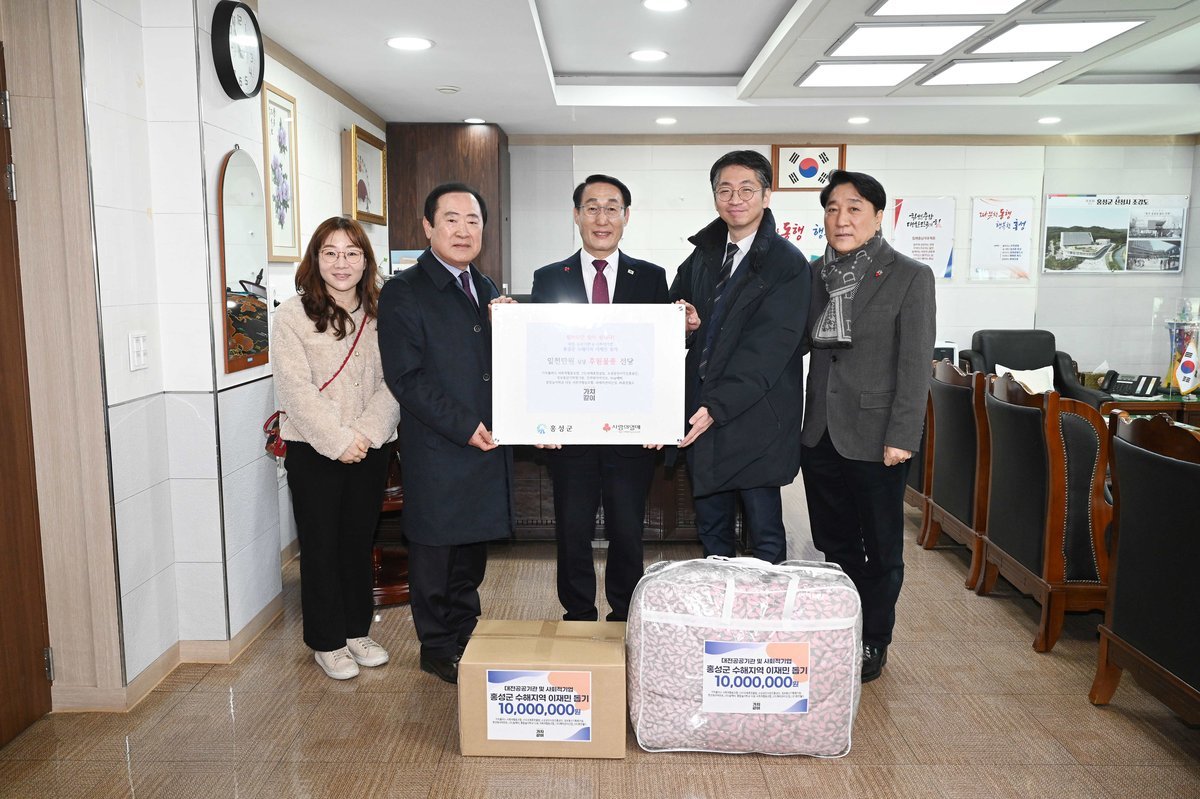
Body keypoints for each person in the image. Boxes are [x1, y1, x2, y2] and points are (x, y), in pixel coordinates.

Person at [801, 169, 936, 683]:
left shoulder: (909, 275)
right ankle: (843, 630)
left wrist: (903, 435)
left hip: (879, 437)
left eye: (854, 208)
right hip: (820, 432)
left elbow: (915, 363)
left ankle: (874, 638)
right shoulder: (815, 273)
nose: (842, 218)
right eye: (832, 208)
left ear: (878, 216)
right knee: (833, 542)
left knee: (880, 548)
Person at [378, 182, 511, 684]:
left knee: (470, 553)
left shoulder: (487, 288)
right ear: (428, 227)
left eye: (473, 220)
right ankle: (436, 646)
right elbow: (406, 377)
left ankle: (465, 633)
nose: (463, 230)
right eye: (451, 219)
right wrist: (463, 425)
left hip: (483, 444)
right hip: (439, 445)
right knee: (435, 553)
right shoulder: (404, 291)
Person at [531, 174, 669, 623]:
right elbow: (539, 354)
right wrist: (540, 421)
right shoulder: (549, 278)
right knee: (572, 528)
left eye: (612, 208)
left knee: (628, 528)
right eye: (592, 207)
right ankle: (577, 612)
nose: (602, 218)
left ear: (626, 217)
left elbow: (660, 355)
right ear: (576, 215)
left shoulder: (651, 278)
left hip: (631, 433)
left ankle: (625, 613)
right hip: (570, 435)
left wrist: (661, 419)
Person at [273, 216, 402, 680]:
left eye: (351, 253)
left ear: (366, 261)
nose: (341, 263)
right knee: (321, 545)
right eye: (330, 253)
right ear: (315, 259)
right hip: (313, 448)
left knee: (357, 541)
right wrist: (339, 440)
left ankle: (355, 631)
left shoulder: (384, 311)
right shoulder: (292, 316)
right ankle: (327, 641)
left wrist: (365, 433)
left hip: (371, 445)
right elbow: (295, 389)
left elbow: (396, 380)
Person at [669, 150, 810, 565]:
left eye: (747, 189)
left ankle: (766, 606)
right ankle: (719, 602)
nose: (735, 199)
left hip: (756, 415)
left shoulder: (787, 262)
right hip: (704, 412)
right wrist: (686, 323)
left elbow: (769, 348)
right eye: (724, 190)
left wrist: (718, 405)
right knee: (712, 534)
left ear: (766, 195)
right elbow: (675, 311)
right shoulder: (703, 254)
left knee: (764, 537)